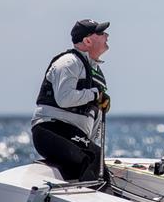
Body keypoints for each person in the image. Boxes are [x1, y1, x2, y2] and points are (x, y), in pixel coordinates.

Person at [31, 19, 112, 182]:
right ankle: (93, 201)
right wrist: (95, 95)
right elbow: (64, 99)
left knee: (97, 158)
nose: (107, 36)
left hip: (72, 135)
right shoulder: (69, 62)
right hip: (51, 130)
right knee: (93, 157)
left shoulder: (95, 71)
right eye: (101, 33)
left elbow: (93, 112)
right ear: (87, 40)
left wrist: (101, 106)